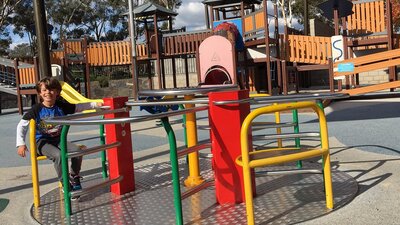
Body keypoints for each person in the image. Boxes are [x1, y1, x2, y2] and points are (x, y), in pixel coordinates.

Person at [16, 77, 102, 194]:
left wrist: (95, 104)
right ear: (40, 93)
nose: (48, 93)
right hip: (41, 142)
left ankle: (74, 176)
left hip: (58, 140)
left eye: (51, 90)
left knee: (77, 150)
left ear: (57, 92)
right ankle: (65, 183)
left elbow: (79, 107)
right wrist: (20, 143)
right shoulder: (37, 109)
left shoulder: (61, 106)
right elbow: (22, 125)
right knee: (59, 155)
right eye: (45, 90)